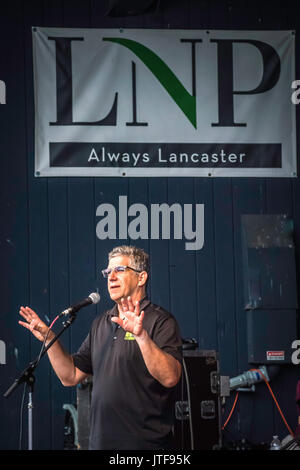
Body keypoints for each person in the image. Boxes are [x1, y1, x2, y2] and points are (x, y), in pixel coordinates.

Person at [19, 245, 182, 450]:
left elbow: (170, 377)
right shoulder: (101, 323)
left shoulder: (161, 321)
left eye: (119, 270)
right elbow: (70, 375)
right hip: (101, 444)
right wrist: (48, 338)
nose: (111, 277)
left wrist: (141, 336)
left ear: (141, 278)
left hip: (145, 446)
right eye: (107, 272)